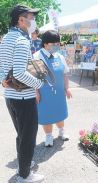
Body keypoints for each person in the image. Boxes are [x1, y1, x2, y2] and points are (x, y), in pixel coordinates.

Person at [0, 5, 44, 182]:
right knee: (28, 136)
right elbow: (19, 72)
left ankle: (23, 164)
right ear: (21, 19)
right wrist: (38, 83)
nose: (33, 21)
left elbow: (3, 66)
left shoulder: (7, 38)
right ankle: (24, 175)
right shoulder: (22, 40)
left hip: (11, 97)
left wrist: (2, 80)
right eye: (31, 17)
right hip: (23, 97)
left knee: (22, 134)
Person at [34, 30, 72, 147]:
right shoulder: (37, 56)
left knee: (59, 112)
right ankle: (49, 136)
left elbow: (65, 74)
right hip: (44, 92)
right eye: (54, 44)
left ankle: (61, 132)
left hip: (59, 92)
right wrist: (36, 92)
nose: (57, 46)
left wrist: (67, 88)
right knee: (46, 115)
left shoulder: (59, 56)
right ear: (45, 44)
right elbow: (33, 77)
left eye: (58, 43)